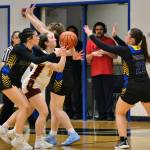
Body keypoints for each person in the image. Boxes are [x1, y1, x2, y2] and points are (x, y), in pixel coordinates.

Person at [84, 25, 150, 149]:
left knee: (119, 113)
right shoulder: (140, 49)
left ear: (131, 39)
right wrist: (115, 37)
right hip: (147, 86)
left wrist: (90, 35)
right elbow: (124, 47)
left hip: (132, 87)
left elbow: (105, 47)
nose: (125, 36)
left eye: (127, 35)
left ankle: (123, 141)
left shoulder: (126, 50)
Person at [24, 5, 81, 146]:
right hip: (66, 76)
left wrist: (29, 15)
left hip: (60, 76)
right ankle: (52, 136)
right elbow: (73, 54)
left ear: (54, 32)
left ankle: (72, 132)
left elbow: (40, 27)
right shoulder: (66, 41)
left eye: (48, 31)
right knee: (55, 107)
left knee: (56, 109)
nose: (45, 32)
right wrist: (30, 15)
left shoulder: (57, 39)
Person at [0, 28, 60, 149]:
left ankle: (5, 128)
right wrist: (54, 54)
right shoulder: (19, 48)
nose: (38, 37)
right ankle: (18, 138)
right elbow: (37, 60)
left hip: (14, 81)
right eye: (36, 36)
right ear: (29, 38)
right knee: (24, 106)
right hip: (5, 78)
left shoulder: (32, 49)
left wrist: (67, 53)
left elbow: (48, 57)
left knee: (28, 106)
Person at [86, 22, 117, 120]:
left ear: (104, 30)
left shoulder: (110, 41)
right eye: (97, 29)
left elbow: (115, 56)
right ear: (95, 30)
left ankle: (109, 114)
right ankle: (102, 114)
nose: (99, 31)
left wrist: (106, 52)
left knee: (108, 95)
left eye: (101, 29)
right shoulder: (90, 41)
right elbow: (87, 59)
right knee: (99, 95)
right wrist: (93, 54)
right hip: (95, 73)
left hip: (108, 72)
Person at [0, 31, 20, 125]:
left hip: (16, 79)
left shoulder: (22, 51)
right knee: (9, 104)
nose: (18, 39)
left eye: (20, 37)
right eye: (16, 37)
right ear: (12, 39)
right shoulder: (10, 50)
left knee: (13, 104)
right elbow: (3, 64)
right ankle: (3, 125)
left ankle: (5, 125)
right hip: (7, 79)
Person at [64, 25, 82, 119]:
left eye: (73, 32)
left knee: (76, 94)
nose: (71, 34)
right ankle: (68, 113)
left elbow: (80, 56)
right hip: (65, 71)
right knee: (66, 94)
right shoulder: (63, 44)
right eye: (69, 32)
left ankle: (77, 113)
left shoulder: (80, 43)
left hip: (76, 71)